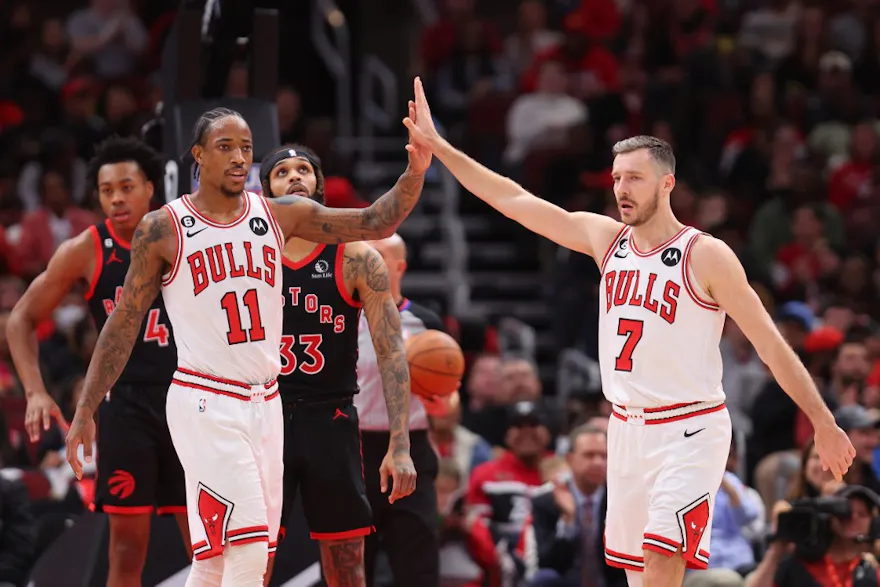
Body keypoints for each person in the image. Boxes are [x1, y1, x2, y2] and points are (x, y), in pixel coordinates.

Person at [401, 78, 855, 587]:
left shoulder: (704, 254)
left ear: (667, 184)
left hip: (690, 427)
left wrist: (823, 420)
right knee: (638, 577)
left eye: (635, 178)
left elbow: (771, 344)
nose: (621, 189)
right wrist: (440, 147)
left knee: (663, 557)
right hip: (625, 429)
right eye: (617, 178)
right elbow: (514, 199)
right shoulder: (606, 240)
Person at [64, 101, 430, 587]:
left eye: (246, 148)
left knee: (216, 561)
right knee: (251, 547)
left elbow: (377, 221)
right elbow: (122, 325)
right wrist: (87, 407)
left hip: (267, 403)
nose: (239, 157)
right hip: (206, 400)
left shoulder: (280, 216)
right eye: (226, 147)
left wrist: (416, 168)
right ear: (198, 155)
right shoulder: (164, 227)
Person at [6, 135, 190, 587]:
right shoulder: (86, 249)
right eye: (107, 191)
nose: (117, 199)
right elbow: (21, 319)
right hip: (125, 405)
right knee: (126, 548)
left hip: (190, 400)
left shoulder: (188, 236)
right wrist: (34, 390)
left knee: (204, 543)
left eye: (126, 187)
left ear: (151, 187)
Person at [258, 144, 416, 587]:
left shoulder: (358, 256)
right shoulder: (250, 256)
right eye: (281, 172)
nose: (294, 177)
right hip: (263, 416)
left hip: (331, 419)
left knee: (347, 565)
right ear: (265, 191)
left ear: (319, 185)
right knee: (252, 563)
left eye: (304, 169)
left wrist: (399, 444)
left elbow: (391, 352)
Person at [355, 231, 446, 587]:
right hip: (355, 448)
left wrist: (442, 401)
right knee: (353, 566)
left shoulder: (426, 323)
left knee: (418, 567)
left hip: (411, 448)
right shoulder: (342, 320)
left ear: (399, 266)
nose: (366, 261)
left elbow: (449, 400)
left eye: (376, 255)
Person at [529, 424, 626, 587]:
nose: (598, 462)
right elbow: (546, 563)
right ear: (570, 459)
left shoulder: (621, 501)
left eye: (604, 456)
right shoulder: (546, 502)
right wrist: (568, 520)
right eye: (589, 455)